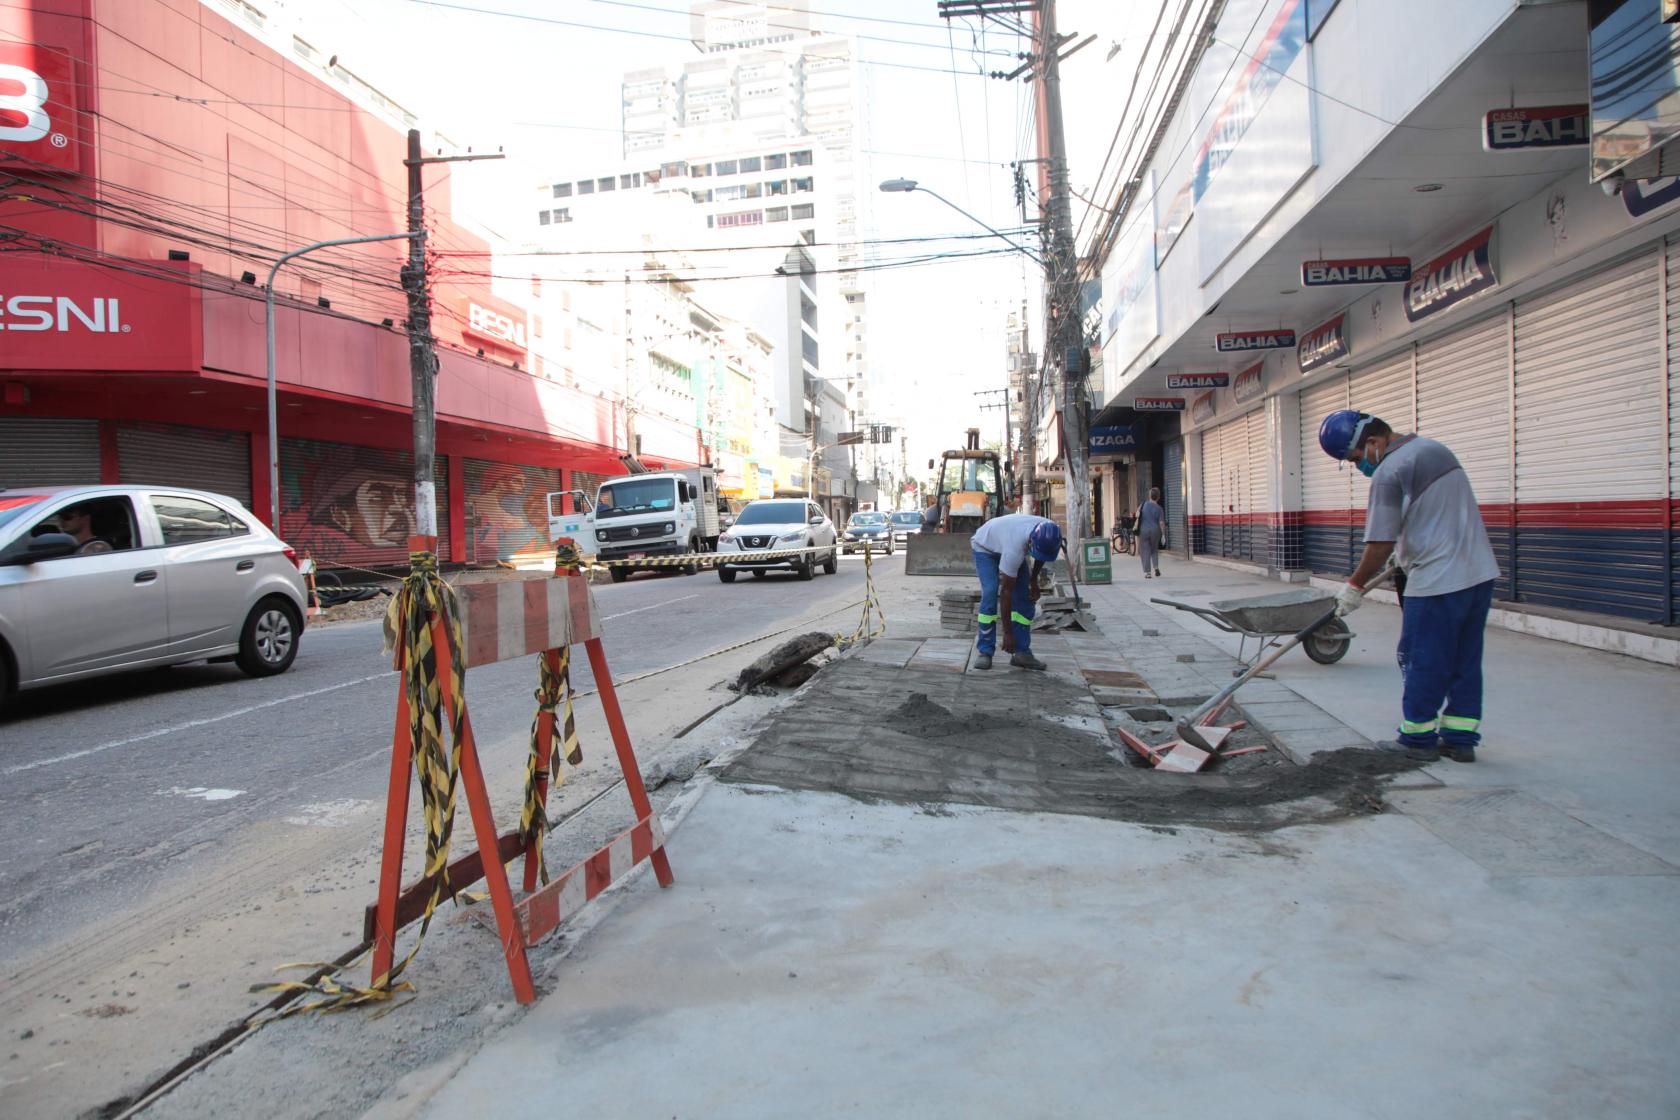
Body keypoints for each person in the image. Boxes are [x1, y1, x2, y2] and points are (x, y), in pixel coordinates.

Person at [1319, 410, 1500, 764]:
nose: (1360, 467)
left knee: (1421, 659)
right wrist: (1404, 551)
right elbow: (1433, 515)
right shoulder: (1436, 450)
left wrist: (1354, 585)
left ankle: (1417, 739)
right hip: (1478, 574)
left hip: (1437, 580)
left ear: (1373, 442)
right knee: (1464, 658)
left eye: (1356, 459)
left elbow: (1379, 542)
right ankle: (1461, 739)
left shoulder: (1389, 471)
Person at [969, 512, 1063, 671]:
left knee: (1025, 597)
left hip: (1007, 540)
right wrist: (1008, 634)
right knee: (991, 592)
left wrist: (1033, 581)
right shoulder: (1015, 548)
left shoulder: (1049, 531)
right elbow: (1006, 592)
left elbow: (1041, 556)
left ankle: (1022, 653)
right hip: (985, 546)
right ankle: (985, 651)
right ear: (1031, 542)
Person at [1137, 488, 1164, 578]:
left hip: (1143, 530)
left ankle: (1147, 573)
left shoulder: (1143, 504)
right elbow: (1161, 523)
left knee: (1145, 551)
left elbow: (1137, 515)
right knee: (1154, 550)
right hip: (1155, 531)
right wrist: (1163, 534)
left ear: (1150, 496)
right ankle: (1156, 567)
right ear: (1158, 497)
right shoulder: (1159, 509)